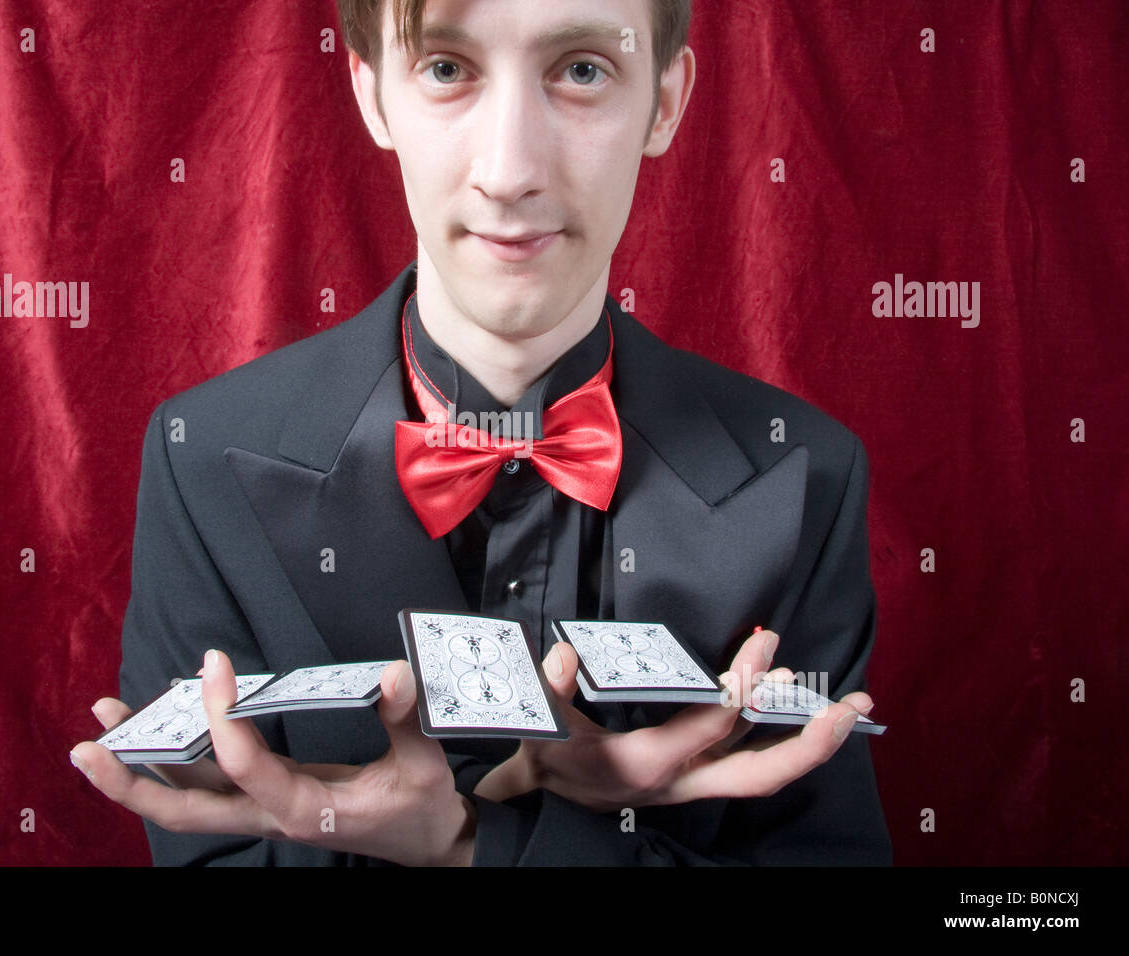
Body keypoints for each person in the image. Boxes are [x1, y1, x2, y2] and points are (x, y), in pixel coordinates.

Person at [68, 0, 891, 866]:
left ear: (665, 102)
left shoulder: (809, 477)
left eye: (581, 69)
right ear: (373, 96)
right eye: (447, 68)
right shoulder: (201, 457)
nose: (509, 172)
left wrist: (468, 843)